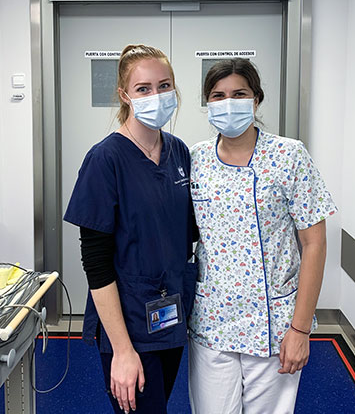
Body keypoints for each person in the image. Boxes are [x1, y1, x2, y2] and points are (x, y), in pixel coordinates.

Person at [188, 58, 337, 414]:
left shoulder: (289, 155)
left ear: (256, 100)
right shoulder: (195, 159)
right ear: (208, 103)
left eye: (239, 94)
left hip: (276, 325)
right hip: (212, 323)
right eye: (218, 95)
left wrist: (300, 330)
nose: (228, 103)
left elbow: (314, 244)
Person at [64, 44, 197, 414]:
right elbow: (96, 263)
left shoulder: (179, 152)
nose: (157, 96)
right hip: (128, 325)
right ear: (124, 95)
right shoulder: (105, 159)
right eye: (143, 88)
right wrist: (122, 350)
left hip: (169, 316)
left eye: (164, 85)